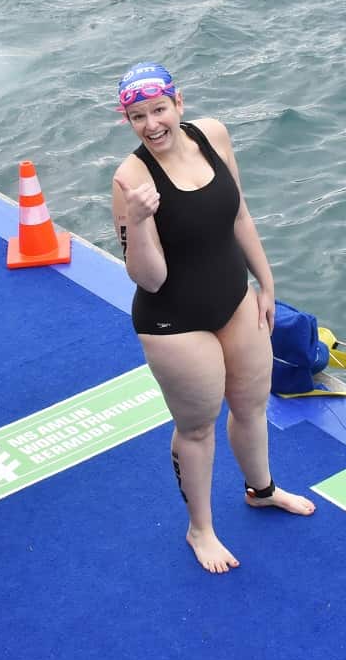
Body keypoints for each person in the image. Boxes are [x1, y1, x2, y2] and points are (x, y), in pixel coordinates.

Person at [110, 62, 315, 574]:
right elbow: (150, 278)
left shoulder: (214, 135)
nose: (152, 124)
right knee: (198, 428)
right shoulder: (131, 179)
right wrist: (137, 222)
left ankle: (261, 490)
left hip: (234, 298)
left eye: (159, 110)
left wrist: (266, 283)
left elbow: (239, 213)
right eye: (138, 117)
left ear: (179, 102)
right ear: (128, 121)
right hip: (174, 321)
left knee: (251, 405)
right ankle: (199, 528)